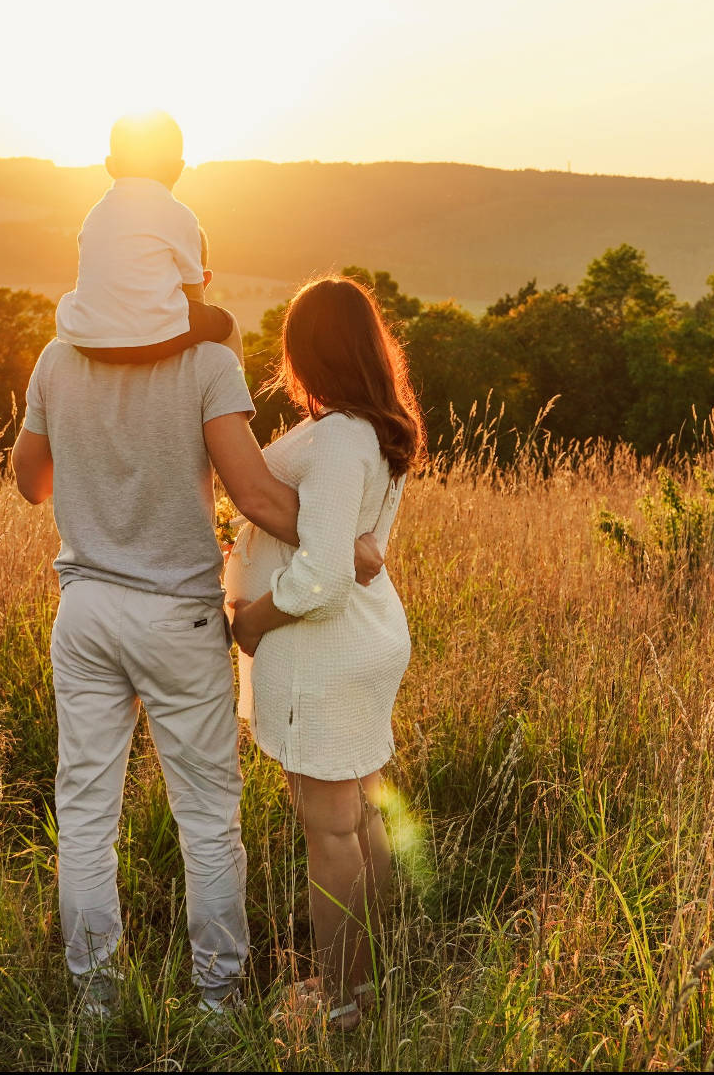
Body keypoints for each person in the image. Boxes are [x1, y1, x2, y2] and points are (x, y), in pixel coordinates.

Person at [11, 118, 382, 1021]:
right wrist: (347, 543)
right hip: (177, 612)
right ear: (182, 255)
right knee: (206, 819)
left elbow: (30, 482)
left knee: (86, 812)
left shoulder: (57, 357)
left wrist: (92, 445)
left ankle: (96, 1001)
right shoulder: (209, 360)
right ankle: (218, 1001)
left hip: (85, 607)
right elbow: (254, 495)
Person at [225, 275, 422, 1033]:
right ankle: (368, 985)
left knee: (332, 828)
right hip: (358, 642)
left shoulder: (341, 436)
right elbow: (364, 547)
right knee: (360, 813)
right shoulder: (375, 427)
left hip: (326, 648)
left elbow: (329, 573)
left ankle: (341, 1004)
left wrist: (252, 622)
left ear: (308, 351)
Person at [54, 109, 243, 365]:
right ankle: (234, 390)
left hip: (88, 342)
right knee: (227, 324)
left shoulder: (94, 215)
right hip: (151, 340)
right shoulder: (179, 214)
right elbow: (193, 294)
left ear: (110, 166)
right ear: (178, 170)